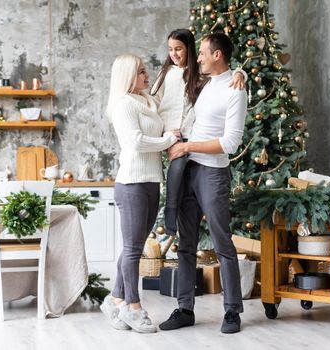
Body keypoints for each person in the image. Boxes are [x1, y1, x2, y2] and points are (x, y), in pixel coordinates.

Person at [159, 33, 248, 334]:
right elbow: (195, 121)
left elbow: (230, 143)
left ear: (218, 55)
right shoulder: (208, 84)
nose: (197, 58)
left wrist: (188, 147)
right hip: (188, 171)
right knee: (186, 244)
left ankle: (232, 311)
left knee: (222, 241)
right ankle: (185, 309)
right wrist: (182, 137)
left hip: (212, 174)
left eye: (203, 54)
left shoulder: (235, 90)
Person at [100, 54, 180, 333]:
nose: (147, 75)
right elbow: (134, 142)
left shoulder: (147, 101)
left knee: (134, 245)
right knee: (134, 249)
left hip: (151, 181)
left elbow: (170, 87)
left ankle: (114, 299)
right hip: (131, 183)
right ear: (128, 77)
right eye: (142, 72)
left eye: (146, 71)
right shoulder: (123, 104)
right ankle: (133, 307)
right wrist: (168, 140)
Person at [151, 28, 246, 236]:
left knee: (179, 176)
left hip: (190, 139)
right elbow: (153, 102)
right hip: (171, 135)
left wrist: (240, 72)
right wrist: (164, 135)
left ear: (189, 50)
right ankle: (170, 217)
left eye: (178, 49)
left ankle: (173, 218)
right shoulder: (166, 74)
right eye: (170, 49)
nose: (174, 54)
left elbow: (223, 77)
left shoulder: (200, 74)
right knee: (174, 177)